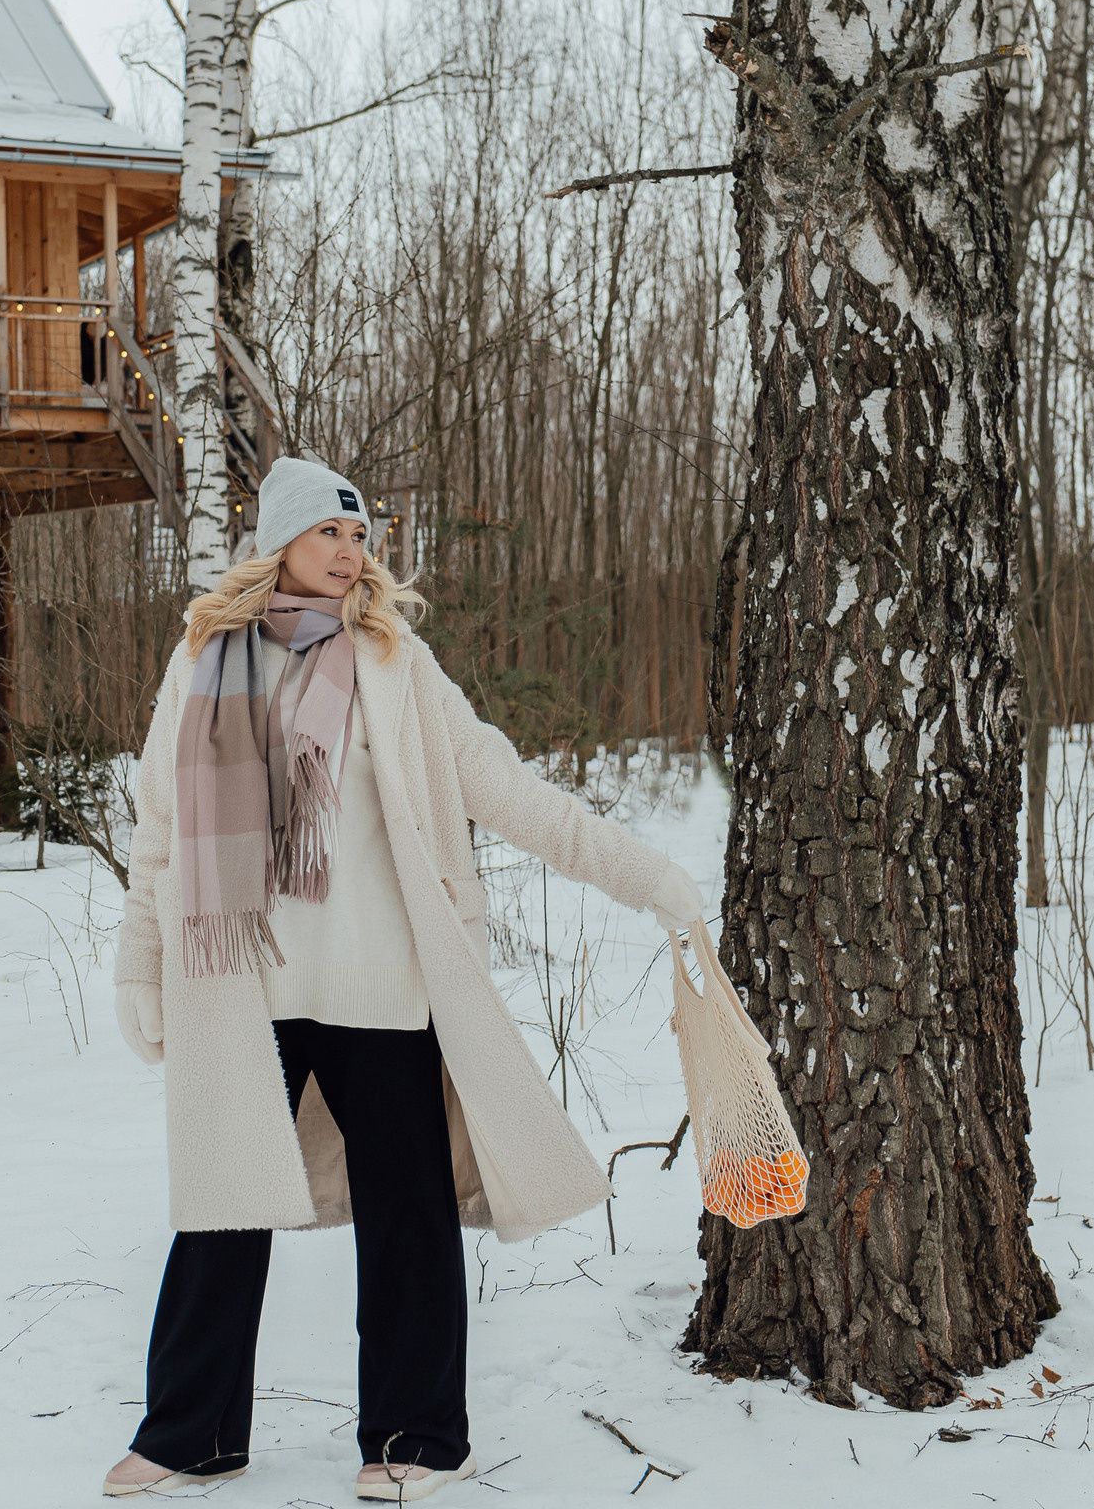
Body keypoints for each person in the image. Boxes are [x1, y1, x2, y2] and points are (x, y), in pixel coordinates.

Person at [102, 457, 705, 1501]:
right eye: (331, 534)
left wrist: (644, 876)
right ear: (279, 542)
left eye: (360, 537)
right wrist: (142, 968)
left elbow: (508, 792)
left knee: (408, 1216)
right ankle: (189, 1432)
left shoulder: (393, 661)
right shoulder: (203, 661)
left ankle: (420, 1437)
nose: (351, 553)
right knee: (219, 1211)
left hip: (380, 987)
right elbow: (159, 832)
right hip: (244, 987)